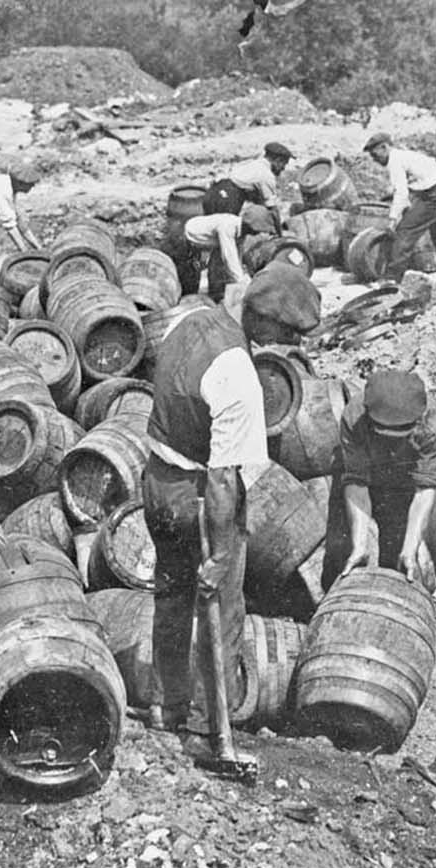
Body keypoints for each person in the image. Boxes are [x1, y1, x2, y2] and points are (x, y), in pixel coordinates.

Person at [142, 265, 322, 739]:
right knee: (221, 609)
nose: (289, 348)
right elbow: (223, 478)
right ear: (264, 323)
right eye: (287, 336)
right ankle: (208, 730)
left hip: (157, 482)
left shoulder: (192, 320)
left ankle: (167, 705)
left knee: (172, 597)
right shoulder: (238, 373)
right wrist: (221, 555)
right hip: (199, 497)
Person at [322, 369, 436, 590]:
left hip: (406, 484)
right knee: (342, 553)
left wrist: (410, 547)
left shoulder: (433, 426)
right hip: (367, 477)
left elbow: (424, 490)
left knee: (410, 566)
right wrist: (359, 545)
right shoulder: (354, 416)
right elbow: (357, 482)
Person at [362, 132, 436, 287]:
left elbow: (401, 193)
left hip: (435, 195)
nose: (374, 159)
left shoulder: (394, 160)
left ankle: (391, 280)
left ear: (384, 147)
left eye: (375, 154)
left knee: (404, 231)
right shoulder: (404, 156)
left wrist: (392, 220)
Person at [170, 203, 274, 302]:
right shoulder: (227, 227)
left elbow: (237, 253)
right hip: (186, 237)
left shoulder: (241, 231)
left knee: (216, 271)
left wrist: (242, 273)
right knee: (189, 279)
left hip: (209, 243)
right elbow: (229, 257)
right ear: (250, 227)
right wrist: (242, 281)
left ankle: (213, 296)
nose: (256, 233)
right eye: (256, 231)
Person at [204, 142, 292, 217]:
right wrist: (279, 232)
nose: (283, 168)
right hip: (229, 198)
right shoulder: (266, 175)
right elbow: (272, 208)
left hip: (215, 192)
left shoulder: (251, 163)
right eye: (284, 164)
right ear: (278, 160)